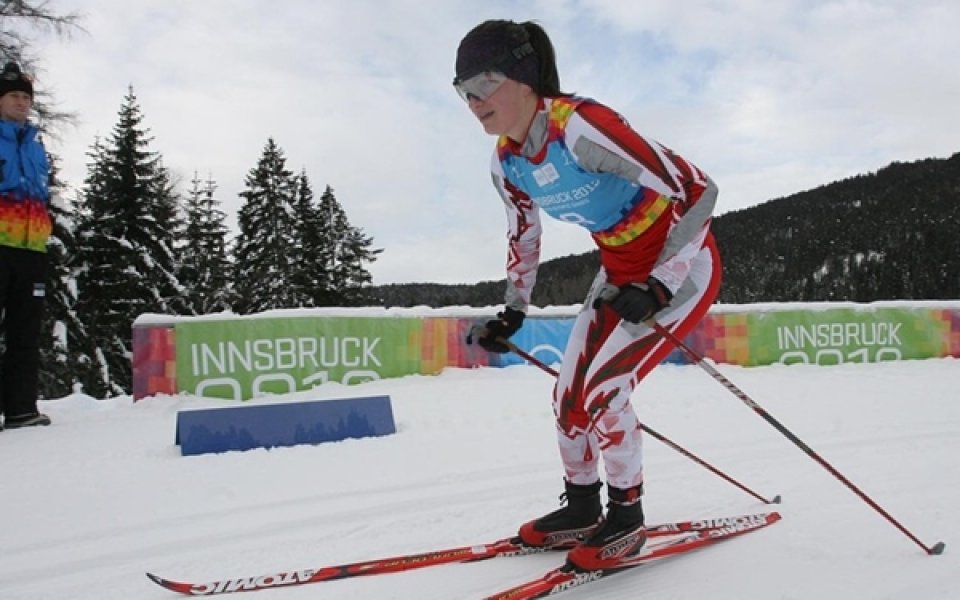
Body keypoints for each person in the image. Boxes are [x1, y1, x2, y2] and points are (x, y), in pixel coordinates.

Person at [456, 21, 720, 571]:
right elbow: (523, 236)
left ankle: (626, 520)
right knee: (568, 397)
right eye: (462, 90)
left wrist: (661, 283)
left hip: (683, 264)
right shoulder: (506, 163)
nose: (473, 100)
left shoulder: (579, 128)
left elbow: (697, 188)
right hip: (621, 272)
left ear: (525, 80)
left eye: (483, 81)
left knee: (603, 390)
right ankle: (581, 507)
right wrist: (513, 309)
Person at [0, 61, 52, 431]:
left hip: (31, 250)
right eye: (14, 96)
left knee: (26, 333)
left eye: (25, 97)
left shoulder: (36, 147)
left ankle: (21, 408)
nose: (21, 103)